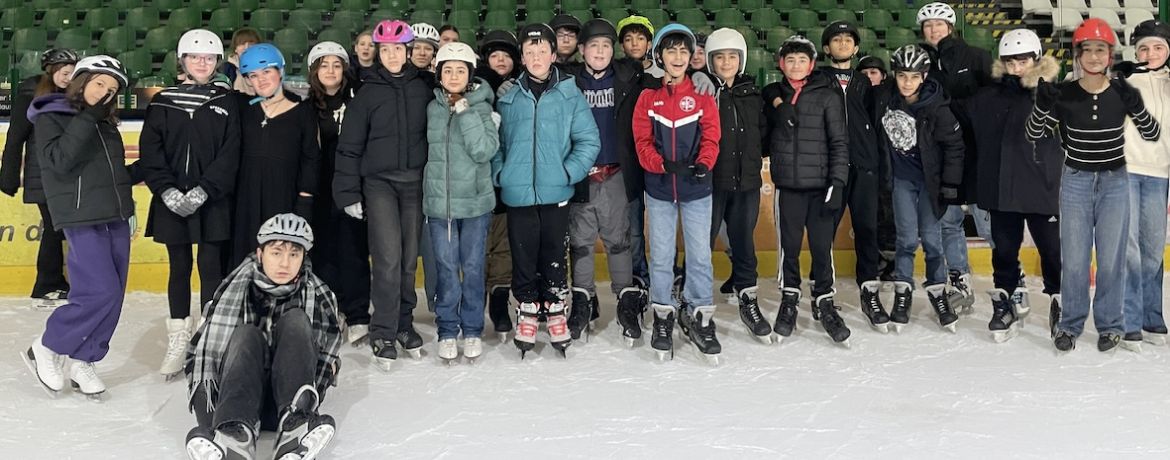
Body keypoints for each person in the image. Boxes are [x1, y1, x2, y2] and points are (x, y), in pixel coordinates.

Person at [1028, 19, 1160, 352]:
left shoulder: (1121, 92)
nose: (1094, 56)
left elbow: (1151, 133)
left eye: (1101, 49)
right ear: (1078, 55)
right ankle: (1070, 324)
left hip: (1115, 182)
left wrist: (1136, 106)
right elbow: (1034, 133)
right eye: (1087, 50)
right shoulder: (1065, 94)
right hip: (1076, 181)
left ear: (1110, 55)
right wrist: (1041, 106)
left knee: (1111, 258)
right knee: (1074, 258)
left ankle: (1110, 325)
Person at [183, 213, 341, 460]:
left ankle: (294, 432)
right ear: (260, 254)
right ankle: (233, 438)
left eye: (294, 254)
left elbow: (325, 362)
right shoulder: (232, 290)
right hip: (236, 401)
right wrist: (209, 419)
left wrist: (308, 405)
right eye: (276, 253)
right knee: (247, 334)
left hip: (286, 405)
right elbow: (200, 356)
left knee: (296, 320)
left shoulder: (319, 296)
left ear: (304, 258)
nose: (285, 263)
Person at [22, 55, 135, 400]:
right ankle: (47, 345)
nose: (104, 92)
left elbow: (110, 173)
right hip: (80, 216)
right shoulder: (51, 115)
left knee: (114, 295)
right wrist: (88, 118)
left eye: (111, 89)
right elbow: (58, 161)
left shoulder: (105, 123)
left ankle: (85, 359)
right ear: (81, 81)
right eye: (99, 83)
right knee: (99, 291)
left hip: (115, 214)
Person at [140, 29, 242, 379]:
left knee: (211, 265)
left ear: (217, 62)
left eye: (209, 58)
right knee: (179, 266)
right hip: (171, 200)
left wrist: (204, 190)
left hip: (212, 200)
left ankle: (209, 339)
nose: (202, 63)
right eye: (195, 57)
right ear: (182, 60)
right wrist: (166, 190)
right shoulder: (162, 101)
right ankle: (179, 336)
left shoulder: (228, 102)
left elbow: (230, 154)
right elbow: (151, 152)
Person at [493, 23, 599, 358]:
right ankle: (526, 308)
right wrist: (501, 173)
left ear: (553, 55)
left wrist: (568, 172)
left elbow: (589, 141)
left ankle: (554, 307)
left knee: (554, 253)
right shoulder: (508, 97)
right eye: (530, 52)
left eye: (542, 51)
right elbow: (497, 144)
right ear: (522, 58)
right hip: (518, 193)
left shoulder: (570, 94)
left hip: (557, 192)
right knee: (523, 254)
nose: (536, 57)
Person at [334, 20, 435, 369]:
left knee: (408, 261)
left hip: (415, 184)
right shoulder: (366, 93)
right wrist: (348, 192)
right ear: (379, 53)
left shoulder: (423, 88)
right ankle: (382, 330)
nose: (392, 55)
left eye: (398, 49)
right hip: (379, 185)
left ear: (408, 51)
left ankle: (404, 324)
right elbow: (349, 147)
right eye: (386, 50)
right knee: (388, 259)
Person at [968, 29, 1063, 343]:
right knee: (1004, 251)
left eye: (1022, 61)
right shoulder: (987, 97)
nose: (1016, 67)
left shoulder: (1053, 96)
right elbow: (955, 116)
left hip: (1042, 188)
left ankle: (1061, 302)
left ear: (1036, 59)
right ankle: (1006, 302)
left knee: (1052, 251)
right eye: (1010, 61)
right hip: (1002, 190)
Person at [633, 23, 721, 362]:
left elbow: (711, 135)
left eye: (684, 50)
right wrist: (661, 164)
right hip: (659, 190)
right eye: (671, 50)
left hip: (697, 189)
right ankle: (663, 314)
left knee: (699, 256)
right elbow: (642, 141)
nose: (679, 56)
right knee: (661, 256)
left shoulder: (701, 94)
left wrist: (705, 163)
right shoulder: (647, 97)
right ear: (660, 56)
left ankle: (700, 314)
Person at [562, 19, 652, 344]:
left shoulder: (630, 77)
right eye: (593, 46)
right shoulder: (567, 81)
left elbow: (663, 82)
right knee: (581, 242)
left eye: (605, 46)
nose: (599, 52)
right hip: (581, 176)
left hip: (616, 173)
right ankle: (583, 301)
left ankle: (626, 300)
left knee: (619, 241)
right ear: (582, 49)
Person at [762, 36, 851, 345]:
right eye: (790, 60)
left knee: (822, 247)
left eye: (802, 60)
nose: (796, 65)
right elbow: (766, 96)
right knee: (788, 247)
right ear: (781, 64)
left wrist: (837, 183)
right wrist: (777, 105)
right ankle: (789, 298)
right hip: (788, 187)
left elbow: (839, 142)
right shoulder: (774, 94)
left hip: (821, 188)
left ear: (812, 65)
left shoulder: (827, 96)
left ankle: (824, 300)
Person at [877, 45, 965, 333]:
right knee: (905, 239)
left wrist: (950, 183)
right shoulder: (885, 99)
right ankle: (903, 293)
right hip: (901, 181)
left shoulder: (937, 107)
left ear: (924, 77)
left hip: (930, 183)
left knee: (931, 239)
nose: (907, 82)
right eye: (902, 75)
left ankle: (938, 292)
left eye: (914, 77)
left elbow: (954, 146)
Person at [425, 42, 500, 364]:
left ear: (470, 75)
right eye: (448, 70)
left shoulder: (482, 108)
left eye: (460, 70)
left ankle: (471, 328)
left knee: (471, 267)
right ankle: (447, 329)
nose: (454, 76)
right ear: (439, 74)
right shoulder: (431, 108)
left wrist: (465, 111)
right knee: (445, 268)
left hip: (474, 205)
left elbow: (484, 151)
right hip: (440, 205)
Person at [917, 2, 993, 312]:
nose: (933, 29)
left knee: (987, 222)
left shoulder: (977, 57)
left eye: (939, 24)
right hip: (942, 156)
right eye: (928, 25)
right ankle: (960, 281)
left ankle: (1011, 282)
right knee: (949, 222)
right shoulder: (922, 64)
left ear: (950, 27)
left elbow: (995, 100)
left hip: (976, 152)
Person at [819, 22, 890, 333]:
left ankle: (869, 291)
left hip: (864, 166)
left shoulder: (864, 82)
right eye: (836, 39)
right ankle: (823, 292)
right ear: (827, 48)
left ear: (856, 47)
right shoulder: (817, 78)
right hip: (831, 168)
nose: (843, 43)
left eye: (848, 40)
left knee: (867, 230)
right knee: (824, 231)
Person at [701, 28, 769, 343]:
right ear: (710, 60)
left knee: (743, 241)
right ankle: (694, 300)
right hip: (711, 182)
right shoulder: (703, 91)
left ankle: (748, 297)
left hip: (746, 183)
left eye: (732, 56)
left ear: (740, 59)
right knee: (702, 242)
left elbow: (763, 134)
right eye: (719, 57)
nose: (726, 62)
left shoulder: (753, 95)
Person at [305, 41, 373, 347]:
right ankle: (331, 309)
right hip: (320, 190)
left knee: (354, 252)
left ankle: (357, 314)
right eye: (324, 65)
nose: (330, 71)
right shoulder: (306, 107)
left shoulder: (358, 101)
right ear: (314, 71)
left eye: (336, 65)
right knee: (323, 254)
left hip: (351, 188)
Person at [229, 44, 320, 265]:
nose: (261, 80)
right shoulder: (242, 108)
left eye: (267, 71)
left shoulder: (303, 112)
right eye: (253, 75)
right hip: (246, 201)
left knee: (281, 260)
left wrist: (305, 201)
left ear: (280, 72)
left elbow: (311, 159)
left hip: (285, 198)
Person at [0, 48, 77, 310]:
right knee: (54, 227)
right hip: (42, 174)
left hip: (64, 174)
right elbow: (15, 138)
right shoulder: (31, 95)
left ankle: (55, 282)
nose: (68, 77)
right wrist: (9, 177)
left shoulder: (73, 96)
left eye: (72, 72)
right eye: (64, 72)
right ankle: (47, 284)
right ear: (51, 71)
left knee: (59, 228)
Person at [1120, 19, 1170, 352]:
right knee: (1129, 250)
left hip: (1159, 173)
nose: (1150, 54)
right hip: (1124, 171)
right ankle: (1130, 320)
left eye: (1158, 47)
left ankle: (1152, 316)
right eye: (1144, 48)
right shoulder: (1122, 80)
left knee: (1152, 250)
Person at [476, 29, 522, 338]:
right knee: (479, 245)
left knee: (504, 245)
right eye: (495, 55)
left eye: (506, 56)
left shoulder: (522, 86)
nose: (501, 60)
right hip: (479, 178)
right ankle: (474, 301)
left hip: (510, 176)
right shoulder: (474, 87)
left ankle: (499, 299)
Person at [222, 28, 261, 95]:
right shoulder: (227, 68)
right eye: (242, 44)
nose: (246, 47)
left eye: (251, 44)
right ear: (235, 49)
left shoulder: (265, 66)